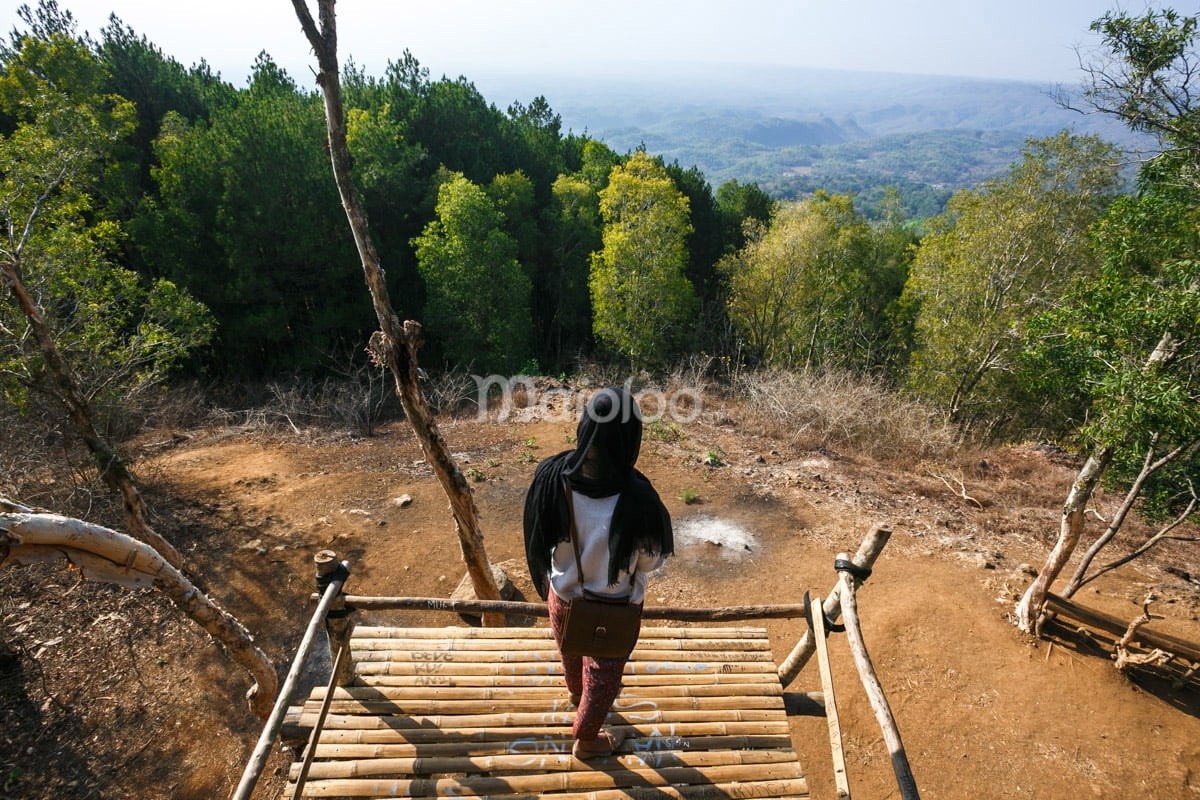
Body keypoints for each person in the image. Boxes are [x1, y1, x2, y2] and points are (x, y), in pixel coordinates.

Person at [522, 387, 674, 759]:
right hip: (616, 609)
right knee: (604, 677)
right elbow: (650, 562)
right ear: (630, 437)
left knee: (569, 648)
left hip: (563, 597)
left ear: (585, 425)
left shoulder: (552, 475)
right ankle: (587, 740)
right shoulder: (640, 500)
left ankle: (575, 693)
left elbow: (537, 535)